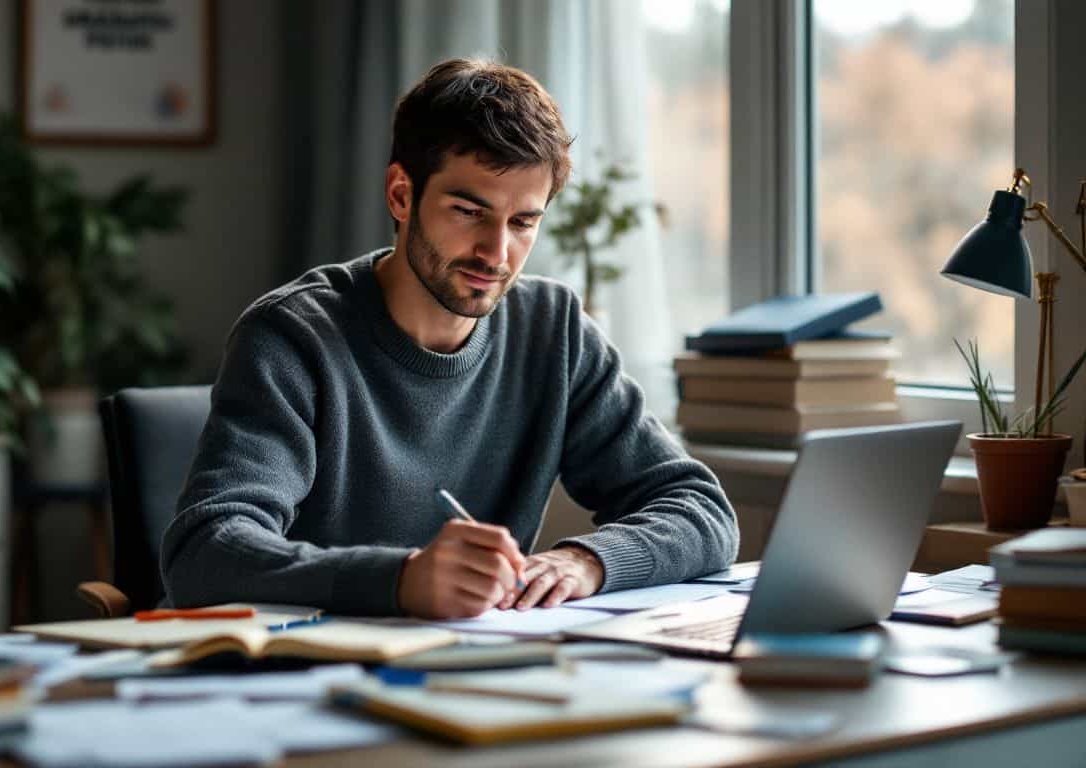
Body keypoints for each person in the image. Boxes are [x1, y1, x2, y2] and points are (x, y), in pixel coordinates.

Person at [161, 58, 737, 619]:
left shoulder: (553, 331)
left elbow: (702, 512)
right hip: (297, 677)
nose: (497, 253)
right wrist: (402, 579)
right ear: (401, 196)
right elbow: (206, 551)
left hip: (464, 673)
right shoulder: (291, 337)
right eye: (469, 211)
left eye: (523, 223)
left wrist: (588, 560)